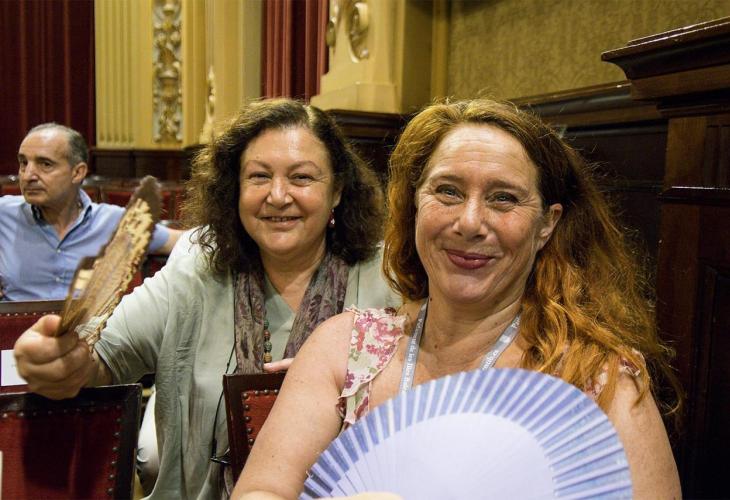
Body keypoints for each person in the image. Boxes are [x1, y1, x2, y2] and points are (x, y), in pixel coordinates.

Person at [233, 99, 682, 499]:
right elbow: (261, 490)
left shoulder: (599, 378)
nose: (469, 223)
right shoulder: (344, 348)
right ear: (414, 204)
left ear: (547, 224)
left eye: (503, 198)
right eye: (447, 191)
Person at [13, 98, 399, 499]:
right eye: (258, 176)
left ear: (337, 190)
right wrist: (63, 363)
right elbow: (105, 357)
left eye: (301, 177)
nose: (278, 195)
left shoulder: (387, 280)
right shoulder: (196, 267)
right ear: (235, 188)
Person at [0, 123, 181, 301]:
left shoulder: (116, 222)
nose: (28, 175)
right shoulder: (4, 214)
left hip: (91, 321)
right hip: (18, 321)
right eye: (24, 163)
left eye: (45, 164)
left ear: (77, 172)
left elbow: (184, 242)